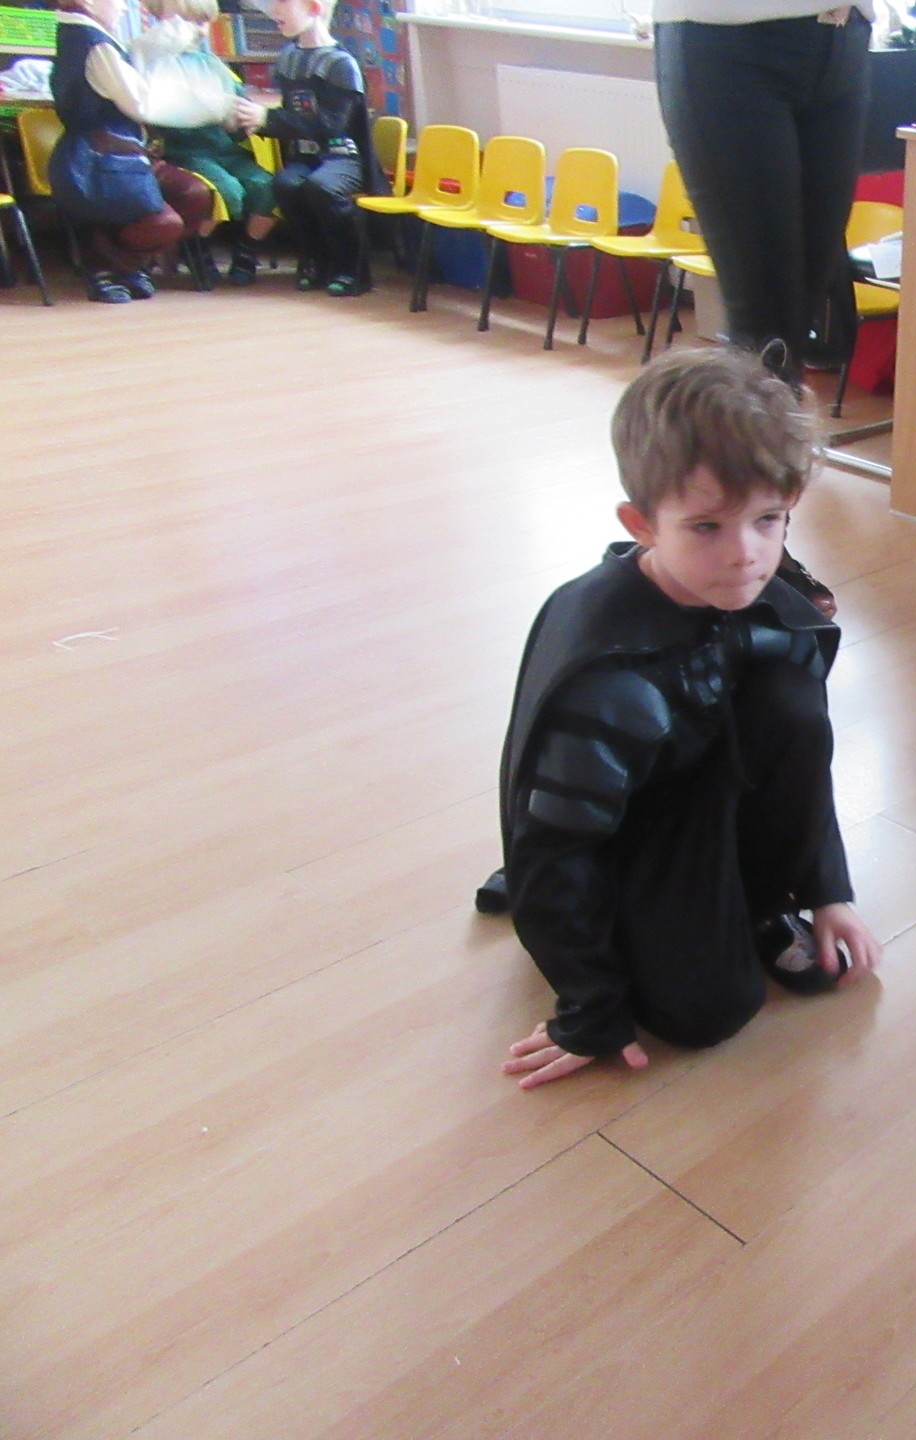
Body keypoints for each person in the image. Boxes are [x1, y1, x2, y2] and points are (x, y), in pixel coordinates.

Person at [480, 348, 882, 1091]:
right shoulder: (608, 678)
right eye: (705, 527)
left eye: (768, 520)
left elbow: (803, 759)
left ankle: (759, 903)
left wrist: (827, 888)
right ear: (641, 524)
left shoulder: (773, 609)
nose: (746, 556)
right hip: (631, 834)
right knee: (709, 1012)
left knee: (794, 702)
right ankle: (711, 917)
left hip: (712, 787)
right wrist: (589, 1006)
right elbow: (555, 849)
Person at [650, 1, 871, 388]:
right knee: (764, 325)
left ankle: (774, 426)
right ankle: (751, 428)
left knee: (803, 309)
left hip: (842, 37)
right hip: (725, 39)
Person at [48, 0, 217, 302]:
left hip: (127, 156)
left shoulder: (95, 38)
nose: (125, 8)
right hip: (98, 162)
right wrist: (202, 102)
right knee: (165, 222)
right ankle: (103, 266)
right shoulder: (94, 44)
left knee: (194, 194)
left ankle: (126, 266)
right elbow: (140, 103)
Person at [232, 0, 385, 296]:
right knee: (287, 184)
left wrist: (268, 118)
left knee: (323, 186)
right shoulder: (289, 58)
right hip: (305, 155)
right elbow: (291, 115)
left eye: (283, 2)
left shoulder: (341, 65)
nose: (275, 11)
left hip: (343, 155)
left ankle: (352, 270)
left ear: (314, 8)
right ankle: (315, 262)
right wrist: (256, 121)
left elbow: (331, 125)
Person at [137, 0, 277, 285]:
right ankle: (196, 245)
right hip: (186, 152)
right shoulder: (156, 61)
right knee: (228, 191)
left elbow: (237, 103)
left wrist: (244, 119)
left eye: (203, 23)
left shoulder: (210, 63)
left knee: (267, 186)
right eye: (190, 21)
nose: (199, 30)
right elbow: (153, 108)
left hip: (224, 149)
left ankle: (247, 249)